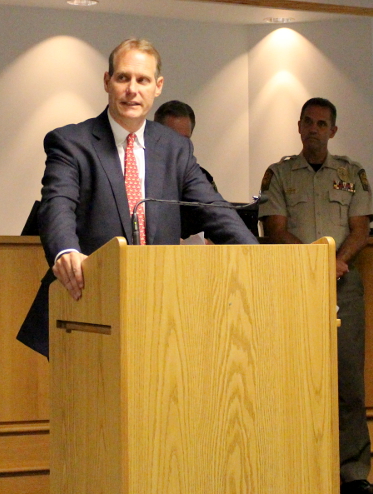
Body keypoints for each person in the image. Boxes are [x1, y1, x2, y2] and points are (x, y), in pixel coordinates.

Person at [16, 39, 258, 357]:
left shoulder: (175, 148)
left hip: (161, 310)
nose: (132, 90)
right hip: (87, 308)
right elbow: (57, 203)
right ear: (107, 81)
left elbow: (214, 210)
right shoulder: (71, 142)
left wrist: (261, 261)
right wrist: (65, 251)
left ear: (157, 87)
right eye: (123, 78)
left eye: (142, 80)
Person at [258, 97, 373, 494]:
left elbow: (360, 229)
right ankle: (293, 463)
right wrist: (315, 264)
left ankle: (353, 472)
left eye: (322, 123)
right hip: (291, 284)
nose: (314, 129)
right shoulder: (278, 174)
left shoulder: (352, 173)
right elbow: (274, 230)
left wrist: (335, 262)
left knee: (348, 381)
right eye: (308, 122)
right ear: (298, 126)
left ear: (333, 130)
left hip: (342, 285)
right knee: (290, 376)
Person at [154, 99, 215, 242]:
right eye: (171, 138)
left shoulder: (202, 178)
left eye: (184, 140)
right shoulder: (139, 175)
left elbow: (216, 225)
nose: (178, 146)